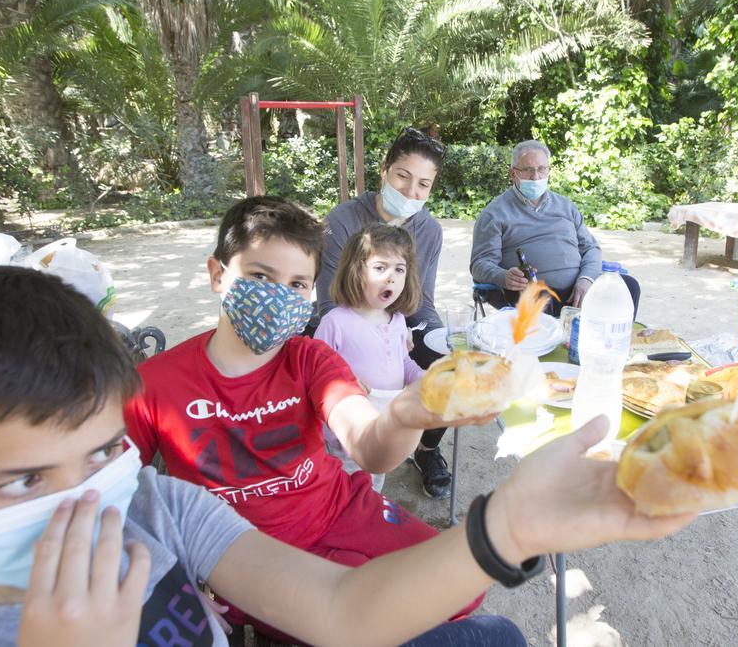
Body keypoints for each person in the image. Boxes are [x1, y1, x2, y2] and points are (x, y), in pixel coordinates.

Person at [0, 265, 696, 646]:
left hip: (332, 543)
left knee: (491, 638)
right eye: (24, 479)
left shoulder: (157, 508)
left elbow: (342, 608)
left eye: (103, 450)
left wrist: (505, 524)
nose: (85, 503)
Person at [125, 196, 500, 640]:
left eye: (298, 284)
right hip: (251, 556)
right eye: (261, 276)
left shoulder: (310, 359)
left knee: (464, 589)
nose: (279, 295)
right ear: (217, 275)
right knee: (407, 621)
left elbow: (368, 447)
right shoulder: (154, 384)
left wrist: (404, 415)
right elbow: (108, 494)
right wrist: (172, 576)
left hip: (342, 508)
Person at [313, 127, 455, 499]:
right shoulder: (343, 219)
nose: (411, 192)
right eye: (403, 177)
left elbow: (422, 300)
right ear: (384, 170)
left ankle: (425, 448)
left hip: (397, 321)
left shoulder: (429, 230)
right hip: (348, 320)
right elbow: (328, 299)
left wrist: (432, 339)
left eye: (423, 185)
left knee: (443, 359)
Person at [470, 140, 640, 318]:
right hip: (530, 292)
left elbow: (591, 248)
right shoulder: (494, 214)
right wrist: (503, 276)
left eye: (542, 169)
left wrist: (586, 279)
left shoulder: (566, 206)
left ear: (549, 171)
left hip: (579, 288)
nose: (536, 177)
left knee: (629, 287)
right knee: (538, 296)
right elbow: (479, 264)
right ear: (512, 173)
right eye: (528, 170)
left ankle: (613, 345)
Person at [315, 223, 426, 492]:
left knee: (374, 485)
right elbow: (314, 376)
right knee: (344, 491)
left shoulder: (398, 320)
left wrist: (427, 379)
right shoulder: (336, 322)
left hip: (385, 428)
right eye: (380, 268)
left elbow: (403, 363)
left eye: (399, 269)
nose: (391, 278)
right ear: (356, 271)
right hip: (345, 437)